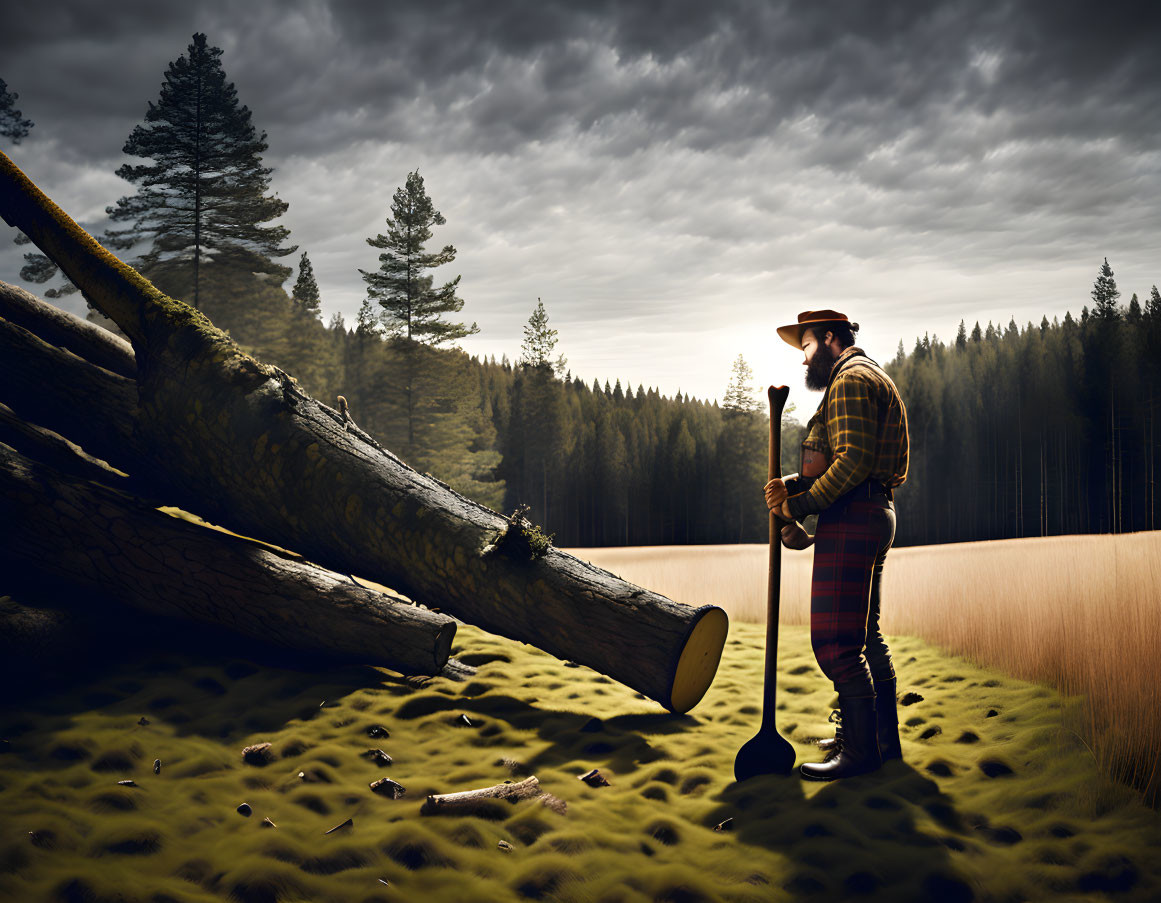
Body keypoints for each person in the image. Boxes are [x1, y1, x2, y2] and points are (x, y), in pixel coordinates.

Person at [764, 309, 909, 781]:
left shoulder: (848, 381)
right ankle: (879, 743)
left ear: (829, 338)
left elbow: (851, 462)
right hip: (868, 512)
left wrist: (801, 504)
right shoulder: (872, 377)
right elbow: (850, 466)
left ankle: (861, 755)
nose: (804, 360)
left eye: (806, 348)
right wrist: (798, 498)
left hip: (855, 516)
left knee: (835, 644)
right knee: (866, 638)